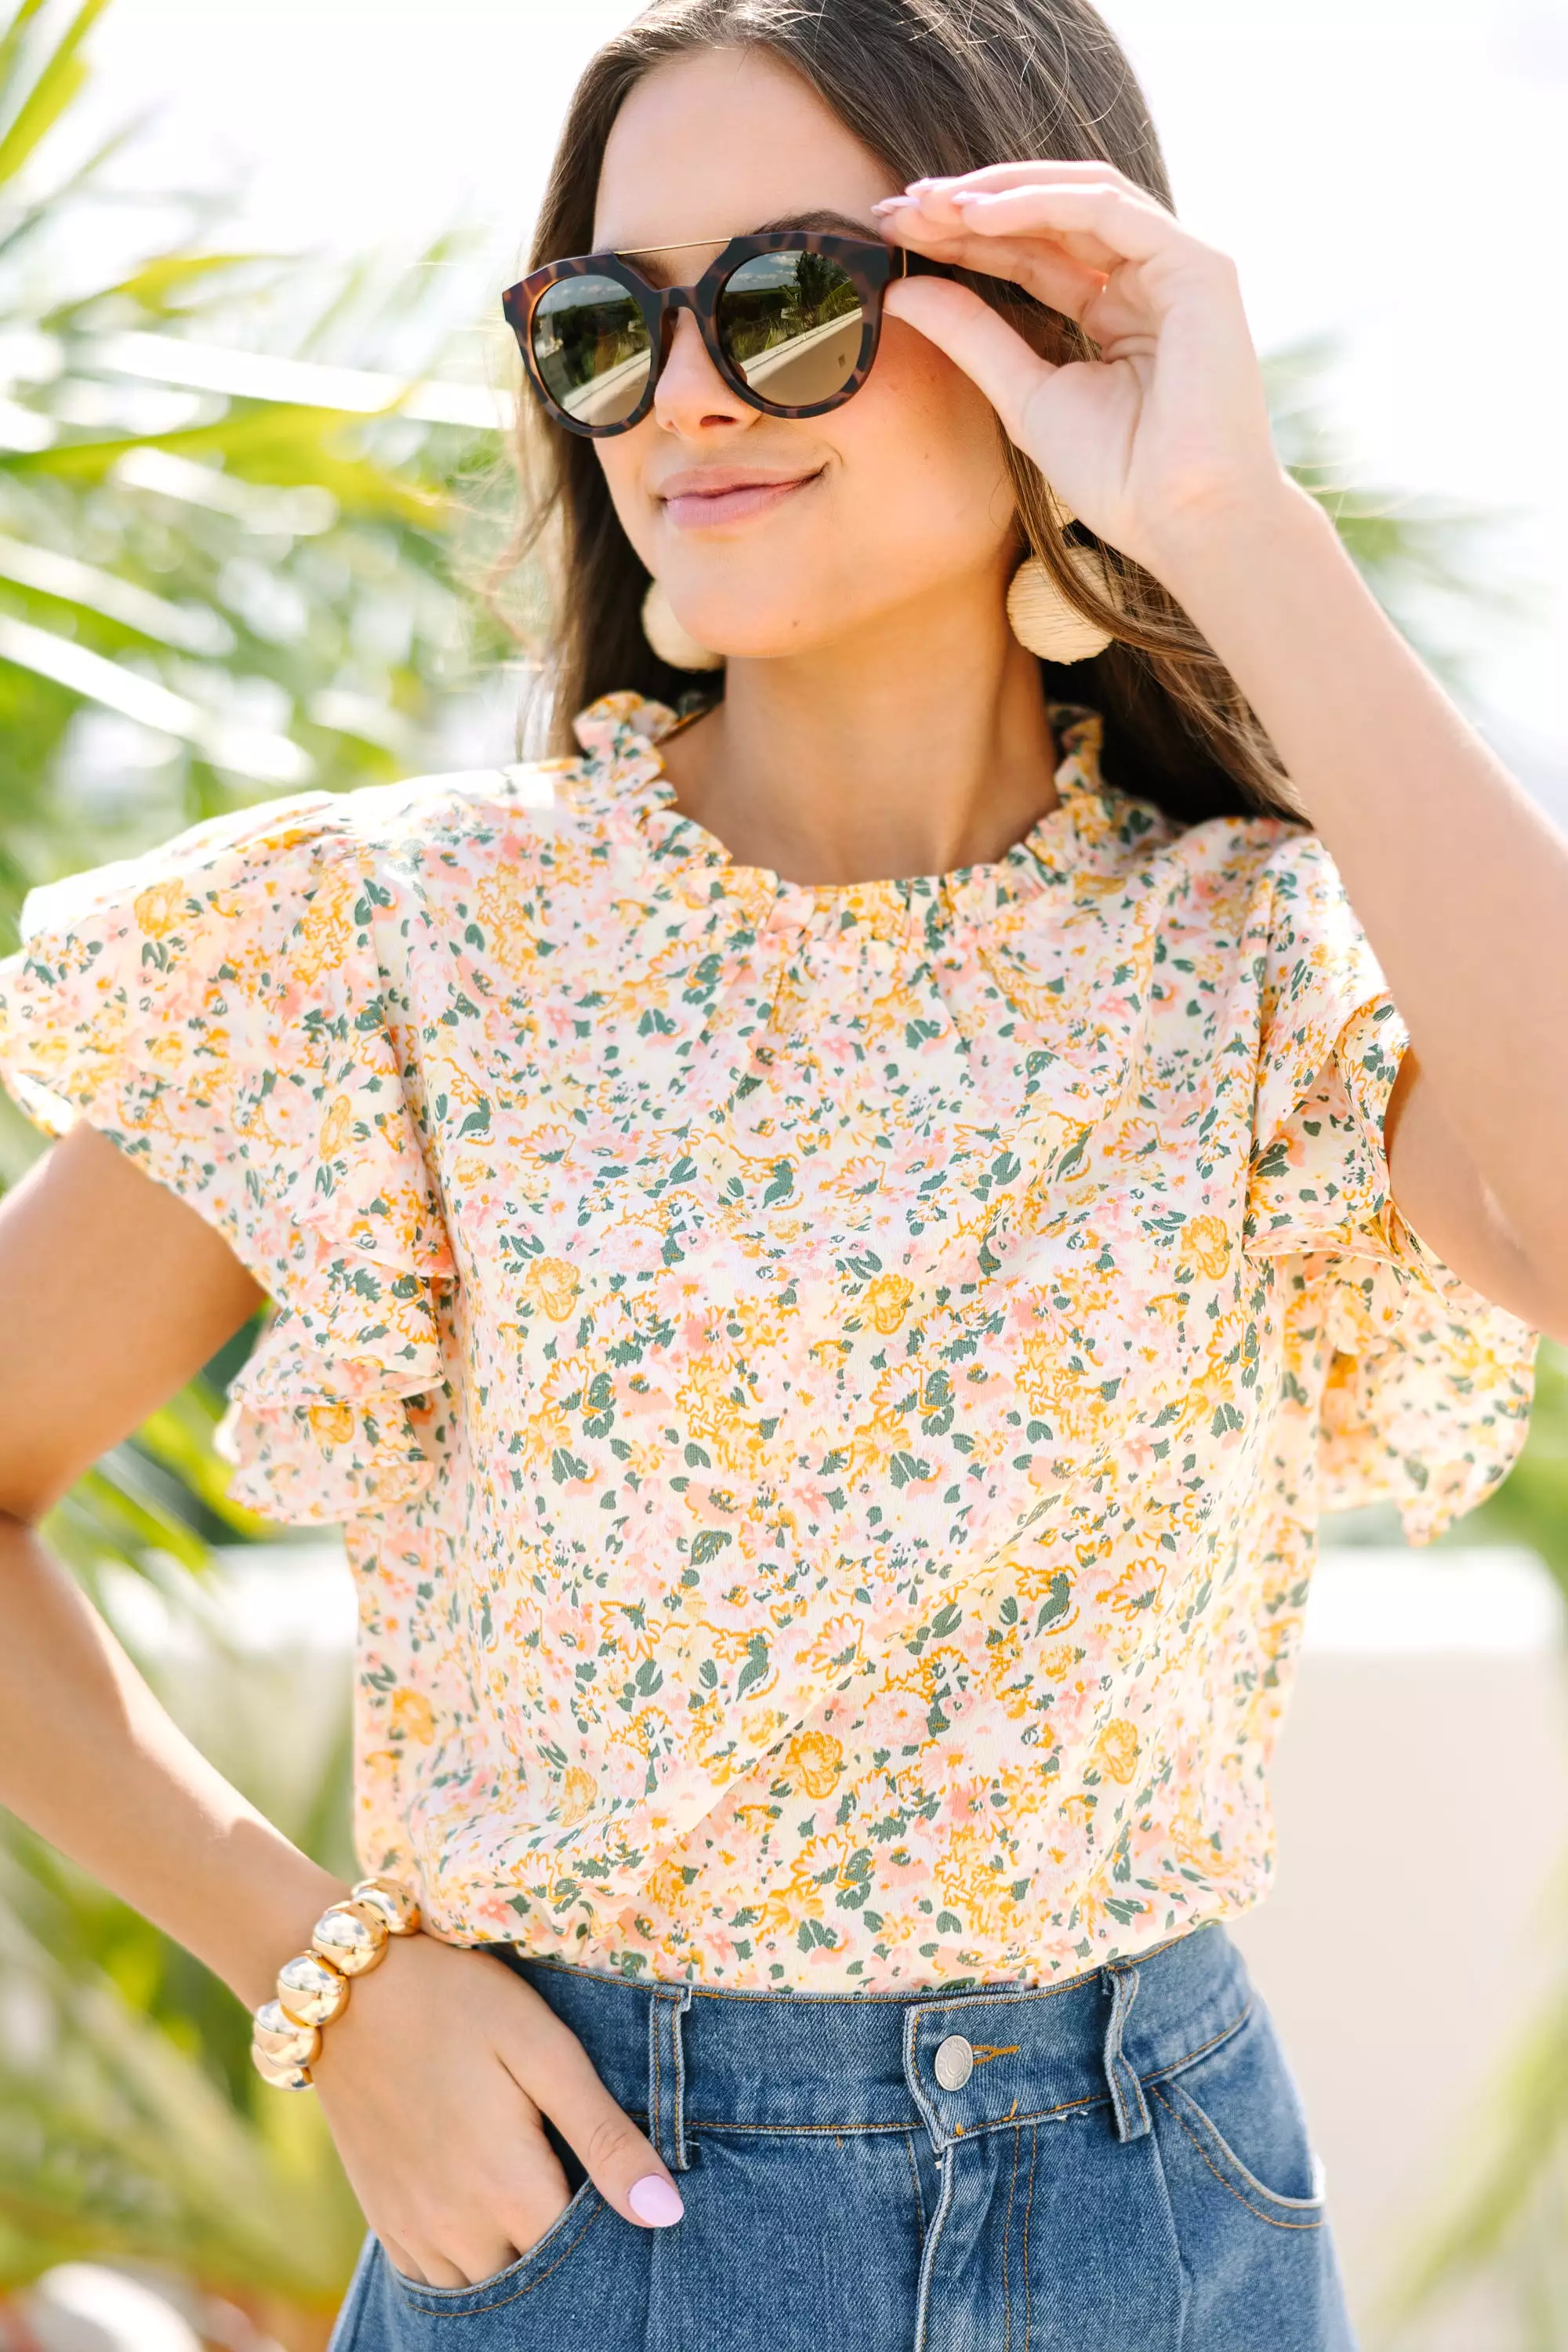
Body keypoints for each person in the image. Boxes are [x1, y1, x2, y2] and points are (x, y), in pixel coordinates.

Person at [0, 0, 1560, 2344]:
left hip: (1168, 2223)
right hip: (589, 2225)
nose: (687, 395)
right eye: (609, 328)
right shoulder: (401, 948)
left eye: (793, 301)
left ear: (1045, 338)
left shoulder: (1260, 964)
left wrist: (1228, 520)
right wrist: (319, 1972)